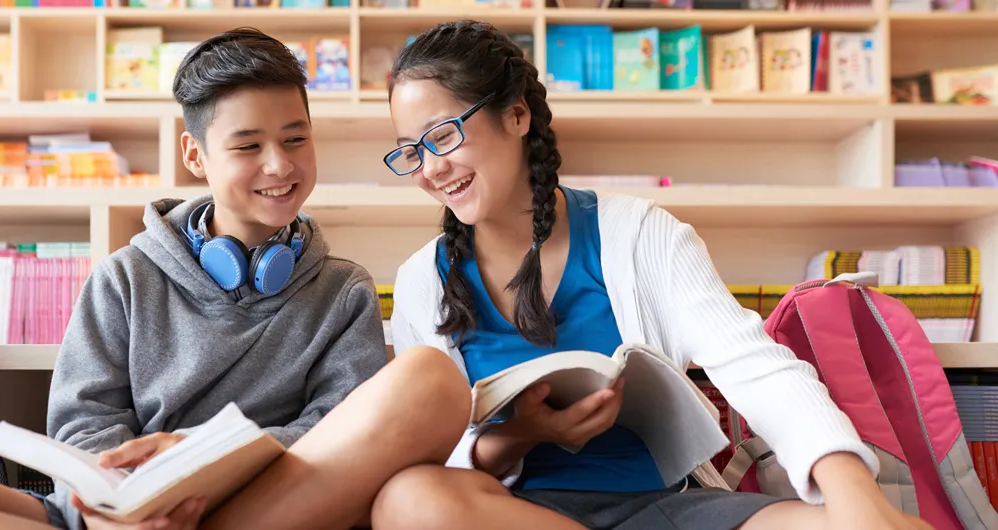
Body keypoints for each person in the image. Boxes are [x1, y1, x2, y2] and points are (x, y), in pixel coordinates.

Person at [0, 27, 471, 530]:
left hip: (267, 506)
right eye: (248, 145)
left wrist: (215, 463)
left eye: (296, 139)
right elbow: (81, 421)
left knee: (426, 383)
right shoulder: (123, 277)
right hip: (118, 516)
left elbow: (339, 430)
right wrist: (125, 492)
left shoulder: (343, 290)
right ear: (194, 155)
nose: (279, 164)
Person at [373, 19, 934, 530]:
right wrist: (523, 435)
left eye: (442, 136)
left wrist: (857, 496)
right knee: (407, 499)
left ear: (516, 115)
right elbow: (443, 459)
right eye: (409, 153)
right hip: (517, 516)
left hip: (669, 509)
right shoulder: (423, 280)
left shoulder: (640, 234)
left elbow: (759, 370)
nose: (430, 168)